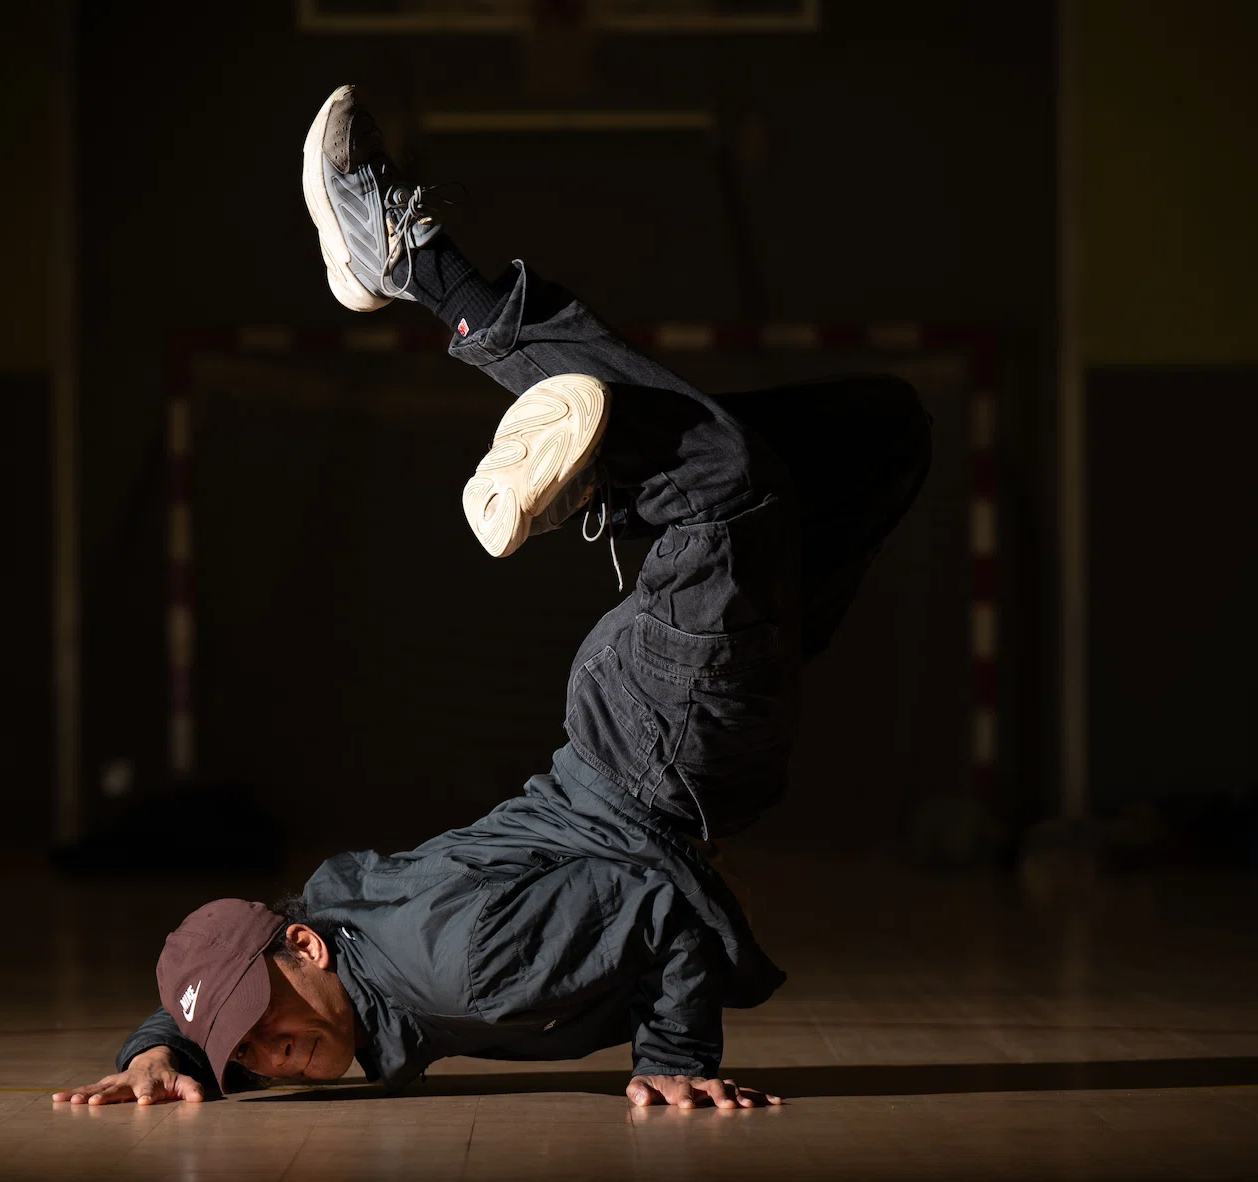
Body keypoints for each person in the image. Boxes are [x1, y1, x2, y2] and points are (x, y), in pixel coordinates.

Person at [56, 86, 930, 1112]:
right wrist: (167, 1043)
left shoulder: (455, 967)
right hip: (633, 741)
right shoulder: (341, 923)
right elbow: (276, 922)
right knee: (874, 435)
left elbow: (665, 912)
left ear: (306, 952)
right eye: (243, 1052)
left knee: (726, 490)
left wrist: (672, 1056)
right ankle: (609, 467)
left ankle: (417, 267)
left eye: (261, 1019)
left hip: (667, 758)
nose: (268, 1052)